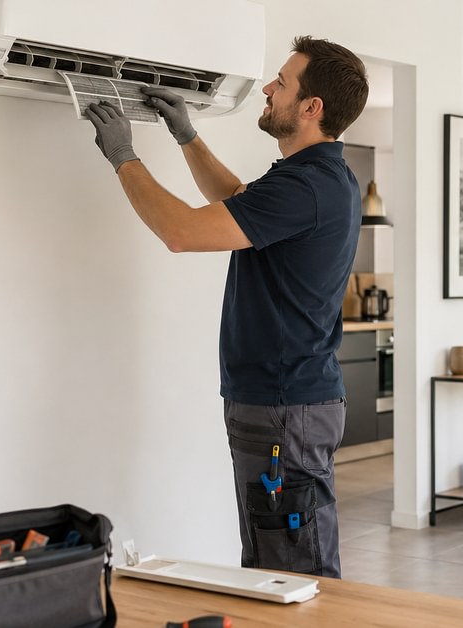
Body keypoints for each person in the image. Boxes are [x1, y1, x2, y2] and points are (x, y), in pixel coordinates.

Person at [85, 36, 369, 578]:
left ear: (312, 108)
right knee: (273, 560)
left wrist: (123, 155)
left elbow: (181, 231)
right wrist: (187, 137)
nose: (267, 87)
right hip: (283, 402)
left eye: (281, 83)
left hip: (285, 406)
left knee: (292, 573)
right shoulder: (314, 177)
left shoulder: (308, 185)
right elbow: (239, 199)